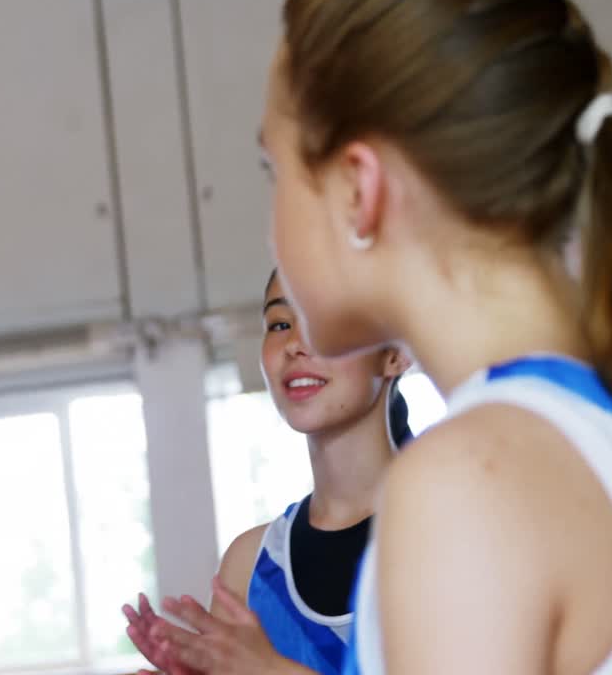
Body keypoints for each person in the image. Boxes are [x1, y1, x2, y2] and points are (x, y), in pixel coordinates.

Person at [270, 0, 612, 671]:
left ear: (359, 187)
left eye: (275, 171)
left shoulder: (469, 481)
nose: (270, 225)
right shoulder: (583, 427)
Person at [124, 269, 410, 675]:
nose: (294, 343)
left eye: (322, 319)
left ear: (396, 352)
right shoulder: (249, 565)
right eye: (279, 324)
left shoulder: (459, 528)